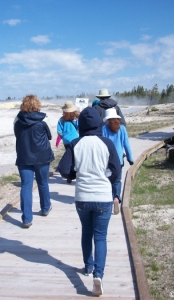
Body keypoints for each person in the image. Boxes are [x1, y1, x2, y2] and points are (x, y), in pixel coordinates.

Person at [57, 107, 120, 296]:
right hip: (102, 197)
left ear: (82, 125)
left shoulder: (75, 143)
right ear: (98, 123)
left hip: (83, 197)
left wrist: (74, 174)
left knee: (86, 232)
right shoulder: (107, 143)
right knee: (100, 236)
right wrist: (106, 181)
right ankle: (98, 276)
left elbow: (63, 169)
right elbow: (116, 170)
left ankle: (88, 267)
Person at [14, 95, 54, 228]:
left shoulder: (18, 119)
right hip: (42, 155)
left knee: (26, 185)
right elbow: (50, 136)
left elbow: (17, 134)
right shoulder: (44, 119)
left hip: (24, 156)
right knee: (43, 182)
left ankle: (26, 218)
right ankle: (45, 208)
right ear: (37, 104)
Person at [102, 108, 134, 215]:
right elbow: (127, 145)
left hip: (107, 160)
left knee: (107, 181)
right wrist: (130, 158)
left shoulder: (104, 129)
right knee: (117, 180)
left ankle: (108, 200)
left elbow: (102, 146)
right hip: (119, 160)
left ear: (107, 119)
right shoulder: (122, 129)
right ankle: (116, 198)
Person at [57, 101, 79, 183]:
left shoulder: (61, 119)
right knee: (75, 157)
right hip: (76, 140)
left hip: (66, 141)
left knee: (69, 156)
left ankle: (69, 175)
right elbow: (79, 128)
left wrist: (64, 137)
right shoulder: (76, 118)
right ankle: (75, 173)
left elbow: (59, 131)